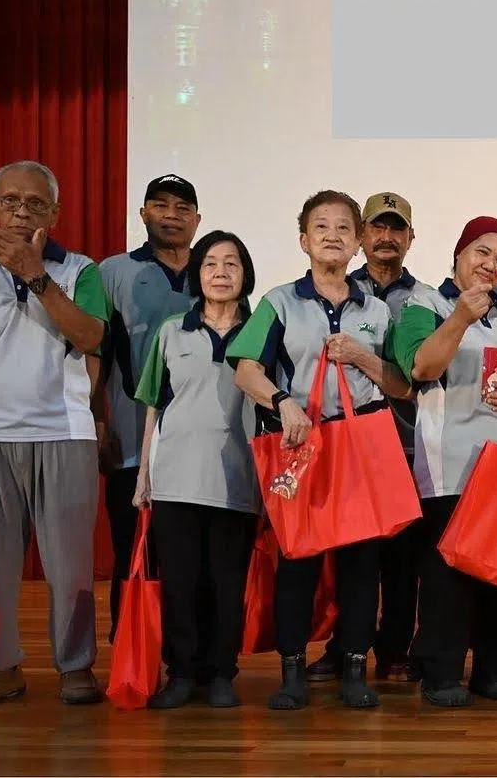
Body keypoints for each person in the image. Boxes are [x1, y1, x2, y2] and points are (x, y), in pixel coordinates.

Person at [227, 190, 411, 710]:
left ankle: (354, 667)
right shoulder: (280, 302)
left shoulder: (377, 310)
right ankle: (292, 672)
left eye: (343, 228)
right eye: (321, 226)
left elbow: (401, 385)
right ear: (304, 240)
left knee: (361, 565)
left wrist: (362, 357)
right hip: (301, 447)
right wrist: (282, 402)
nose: (333, 235)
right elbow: (245, 369)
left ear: (358, 242)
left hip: (360, 447)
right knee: (299, 560)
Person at [390, 216, 497, 707]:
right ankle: (441, 672)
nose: (490, 265)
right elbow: (421, 367)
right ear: (459, 253)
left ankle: (495, 668)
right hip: (451, 461)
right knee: (448, 571)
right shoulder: (425, 303)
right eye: (481, 252)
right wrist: (458, 318)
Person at [0, 161, 108, 705]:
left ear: (54, 212)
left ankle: (75, 666)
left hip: (63, 430)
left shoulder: (80, 269)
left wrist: (36, 275)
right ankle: (1, 666)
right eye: (10, 201)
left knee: (70, 565)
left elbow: (91, 336)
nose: (21, 212)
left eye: (35, 203)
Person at [132, 231, 261, 710]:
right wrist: (144, 477)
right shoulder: (172, 330)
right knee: (181, 583)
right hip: (175, 480)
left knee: (227, 584)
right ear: (197, 273)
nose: (220, 272)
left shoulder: (261, 331)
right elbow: (154, 405)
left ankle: (222, 672)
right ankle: (181, 673)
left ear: (245, 274)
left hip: (238, 479)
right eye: (210, 263)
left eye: (231, 263)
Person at [307, 191, 429, 684]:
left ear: (410, 238)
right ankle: (344, 647)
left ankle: (394, 649)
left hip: (408, 446)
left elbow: (418, 377)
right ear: (362, 236)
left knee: (402, 560)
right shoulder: (337, 288)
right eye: (377, 227)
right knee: (350, 555)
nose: (387, 237)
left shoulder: (425, 298)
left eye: (397, 228)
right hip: (345, 448)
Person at [98, 174, 202, 640]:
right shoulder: (112, 272)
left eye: (182, 208)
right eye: (160, 205)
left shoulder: (214, 270)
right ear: (142, 214)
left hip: (200, 445)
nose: (171, 215)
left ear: (197, 220)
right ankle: (131, 650)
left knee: (191, 556)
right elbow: (95, 355)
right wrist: (100, 421)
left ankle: (187, 656)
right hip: (132, 439)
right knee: (132, 550)